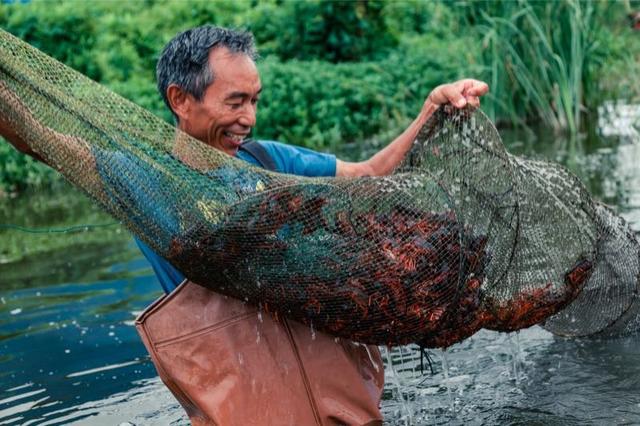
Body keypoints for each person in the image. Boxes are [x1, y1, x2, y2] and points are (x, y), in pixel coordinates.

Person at [0, 25, 488, 425]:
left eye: (254, 100)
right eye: (235, 102)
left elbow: (367, 176)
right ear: (180, 99)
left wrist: (432, 108)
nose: (248, 118)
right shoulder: (139, 178)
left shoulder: (268, 161)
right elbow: (38, 139)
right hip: (241, 402)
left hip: (333, 395)